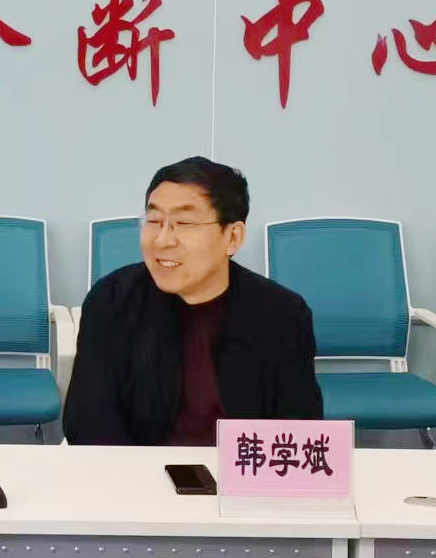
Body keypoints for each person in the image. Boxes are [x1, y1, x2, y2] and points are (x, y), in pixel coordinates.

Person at [63, 156, 322, 446]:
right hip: (135, 470)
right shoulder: (111, 301)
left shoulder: (282, 314)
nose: (162, 240)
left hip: (240, 471)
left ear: (232, 237)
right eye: (154, 221)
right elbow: (87, 422)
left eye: (184, 223)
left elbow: (299, 433)